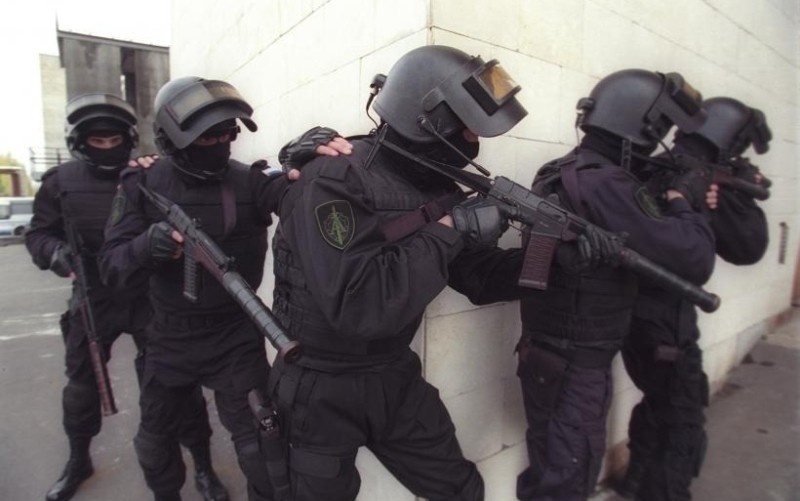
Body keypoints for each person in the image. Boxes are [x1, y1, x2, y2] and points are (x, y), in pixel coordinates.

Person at [268, 44, 555, 501]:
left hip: (392, 375)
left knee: (460, 490)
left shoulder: (438, 189)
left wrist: (555, 259)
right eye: (466, 128)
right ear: (428, 121)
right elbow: (359, 306)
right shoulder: (331, 177)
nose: (473, 141)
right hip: (319, 385)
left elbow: (477, 277)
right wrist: (451, 229)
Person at [97, 77, 350, 501]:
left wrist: (308, 159)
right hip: (168, 337)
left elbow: (296, 193)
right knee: (155, 444)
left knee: (263, 447)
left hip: (234, 335)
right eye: (206, 137)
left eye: (227, 134)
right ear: (173, 140)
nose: (219, 145)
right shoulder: (141, 184)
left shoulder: (248, 181)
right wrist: (145, 247)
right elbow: (110, 266)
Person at [514, 69, 718, 501]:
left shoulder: (563, 170)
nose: (660, 143)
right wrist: (684, 202)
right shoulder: (607, 183)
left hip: (552, 353)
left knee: (554, 470)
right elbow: (695, 258)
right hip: (575, 363)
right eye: (660, 131)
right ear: (640, 128)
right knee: (567, 480)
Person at [26, 93, 229, 501]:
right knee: (81, 389)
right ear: (80, 142)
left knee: (176, 388)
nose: (107, 147)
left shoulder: (147, 174)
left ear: (129, 139)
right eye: (97, 141)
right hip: (93, 297)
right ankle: (78, 460)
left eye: (114, 140)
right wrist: (56, 253)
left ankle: (203, 466)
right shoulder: (60, 183)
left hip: (148, 296)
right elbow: (38, 234)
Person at [614, 96, 772, 501]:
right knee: (681, 416)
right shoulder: (686, 176)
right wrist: (720, 201)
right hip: (666, 319)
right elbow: (749, 246)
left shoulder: (653, 165)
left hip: (636, 314)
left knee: (660, 401)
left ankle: (637, 484)